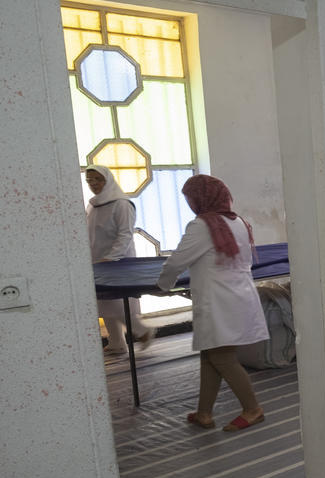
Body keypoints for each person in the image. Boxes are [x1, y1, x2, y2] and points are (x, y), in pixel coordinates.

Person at [157, 175, 269, 432]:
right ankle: (204, 413)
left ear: (201, 198)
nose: (189, 204)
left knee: (222, 357)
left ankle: (253, 409)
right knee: (210, 355)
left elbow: (177, 261)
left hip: (218, 300)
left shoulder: (202, 225)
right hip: (238, 296)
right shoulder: (238, 221)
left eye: (190, 199)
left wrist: (162, 285)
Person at [86, 164, 153, 354]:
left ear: (108, 180)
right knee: (104, 301)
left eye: (98, 179)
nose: (93, 184)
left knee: (117, 303)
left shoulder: (122, 204)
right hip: (98, 260)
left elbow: (125, 234)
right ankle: (116, 341)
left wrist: (111, 257)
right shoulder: (93, 204)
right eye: (89, 180)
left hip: (118, 261)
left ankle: (143, 332)